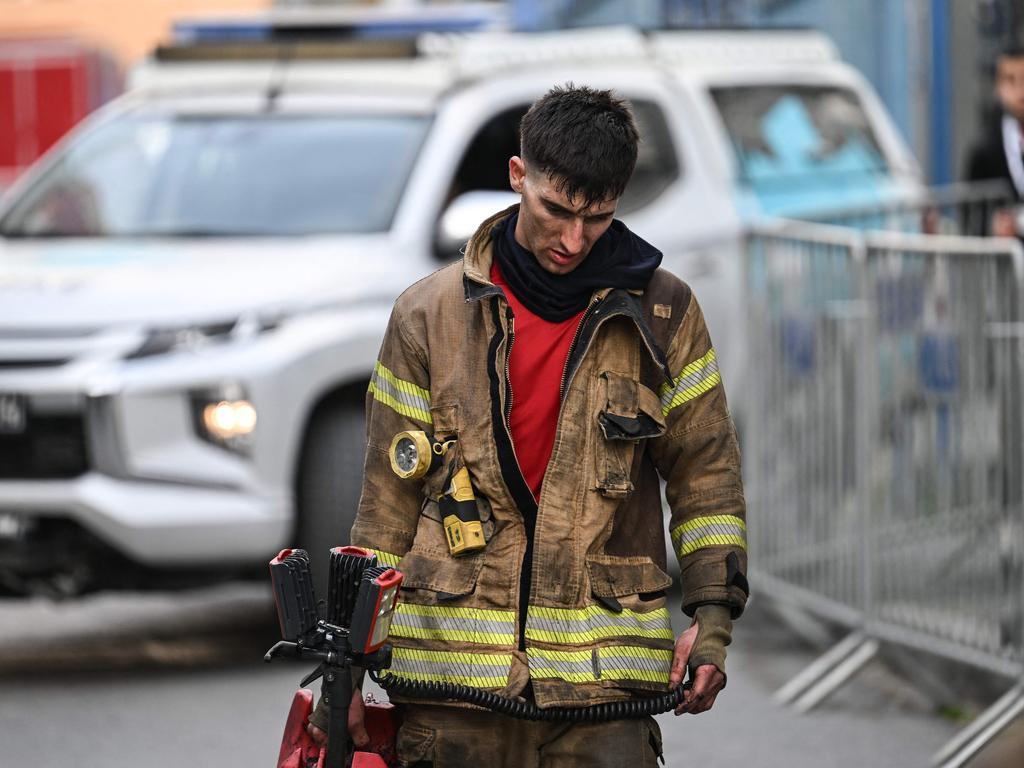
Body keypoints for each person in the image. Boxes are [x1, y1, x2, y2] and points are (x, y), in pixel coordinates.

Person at [310, 84, 748, 766]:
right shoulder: (428, 315)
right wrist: (346, 675)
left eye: (597, 217)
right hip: (454, 695)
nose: (573, 240)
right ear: (518, 177)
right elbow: (386, 503)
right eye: (555, 209)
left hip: (604, 697)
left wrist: (712, 620)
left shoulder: (664, 315)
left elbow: (706, 477)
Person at [964, 46, 1024, 236]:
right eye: (1010, 80)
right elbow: (972, 216)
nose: (1019, 91)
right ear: (998, 87)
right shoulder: (985, 149)